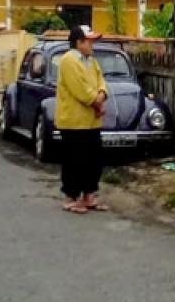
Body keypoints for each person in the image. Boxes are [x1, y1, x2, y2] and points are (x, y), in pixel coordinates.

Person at [56, 26, 109, 214]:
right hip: (74, 121)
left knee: (93, 159)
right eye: (89, 41)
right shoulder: (69, 60)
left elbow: (101, 80)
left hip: (91, 121)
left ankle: (89, 194)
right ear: (79, 42)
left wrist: (102, 93)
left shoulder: (91, 61)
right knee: (74, 159)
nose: (92, 44)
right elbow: (80, 89)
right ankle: (71, 197)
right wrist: (96, 102)